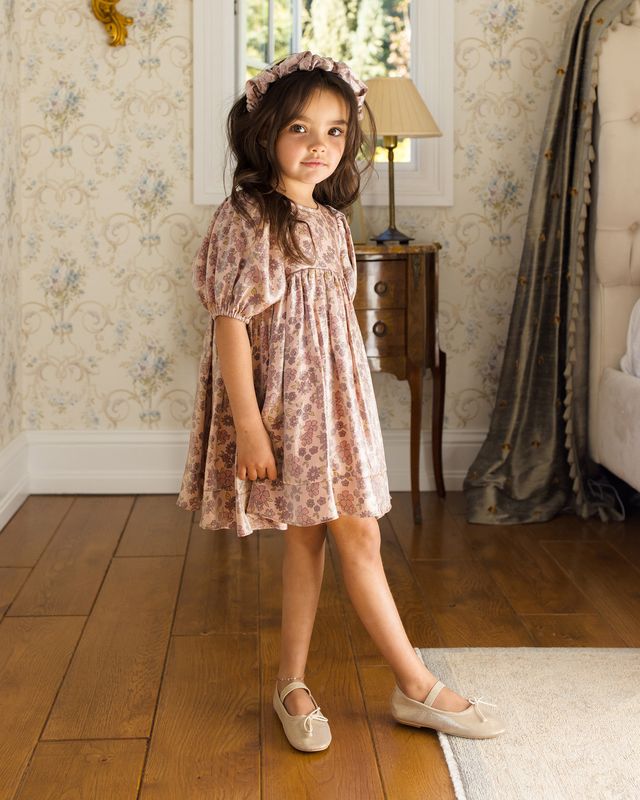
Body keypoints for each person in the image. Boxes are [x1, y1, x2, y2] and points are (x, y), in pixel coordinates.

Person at [177, 51, 504, 752]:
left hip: (331, 399)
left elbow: (330, 325)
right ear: (265, 132)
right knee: (353, 533)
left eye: (334, 130)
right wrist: (251, 432)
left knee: (318, 535)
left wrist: (349, 401)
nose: (318, 145)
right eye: (300, 128)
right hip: (281, 406)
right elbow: (231, 327)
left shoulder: (328, 219)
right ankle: (414, 685)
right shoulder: (247, 216)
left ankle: (291, 682)